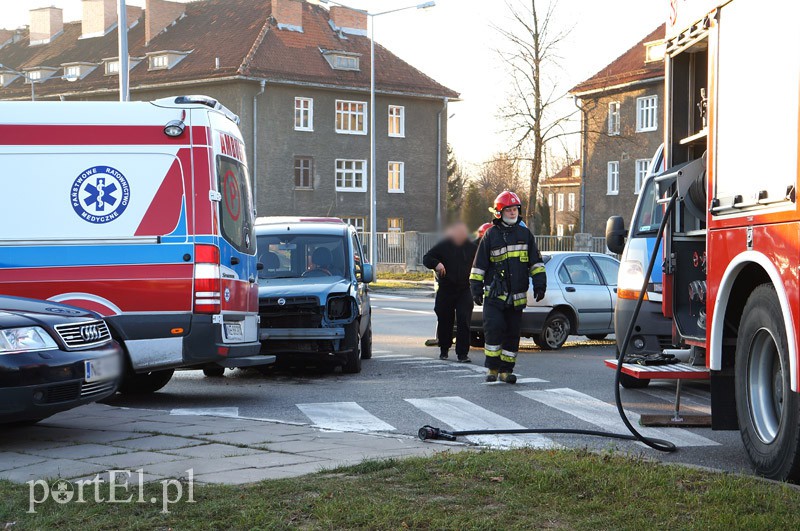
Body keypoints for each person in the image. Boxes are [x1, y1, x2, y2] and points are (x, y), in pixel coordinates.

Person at [470, 191, 547, 383]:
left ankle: (506, 371)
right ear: (499, 212)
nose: (513, 213)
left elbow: (536, 263)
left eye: (515, 209)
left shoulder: (525, 234)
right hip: (495, 296)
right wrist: (476, 288)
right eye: (509, 210)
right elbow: (479, 265)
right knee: (494, 329)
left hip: (517, 297)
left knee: (513, 334)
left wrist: (540, 284)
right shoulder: (490, 235)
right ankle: (492, 369)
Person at [423, 222, 478, 362]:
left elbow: (481, 261)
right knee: (445, 320)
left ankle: (462, 353)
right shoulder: (444, 245)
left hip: (464, 289)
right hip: (446, 289)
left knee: (464, 319)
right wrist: (436, 264)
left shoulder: (471, 247)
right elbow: (427, 258)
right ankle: (444, 349)